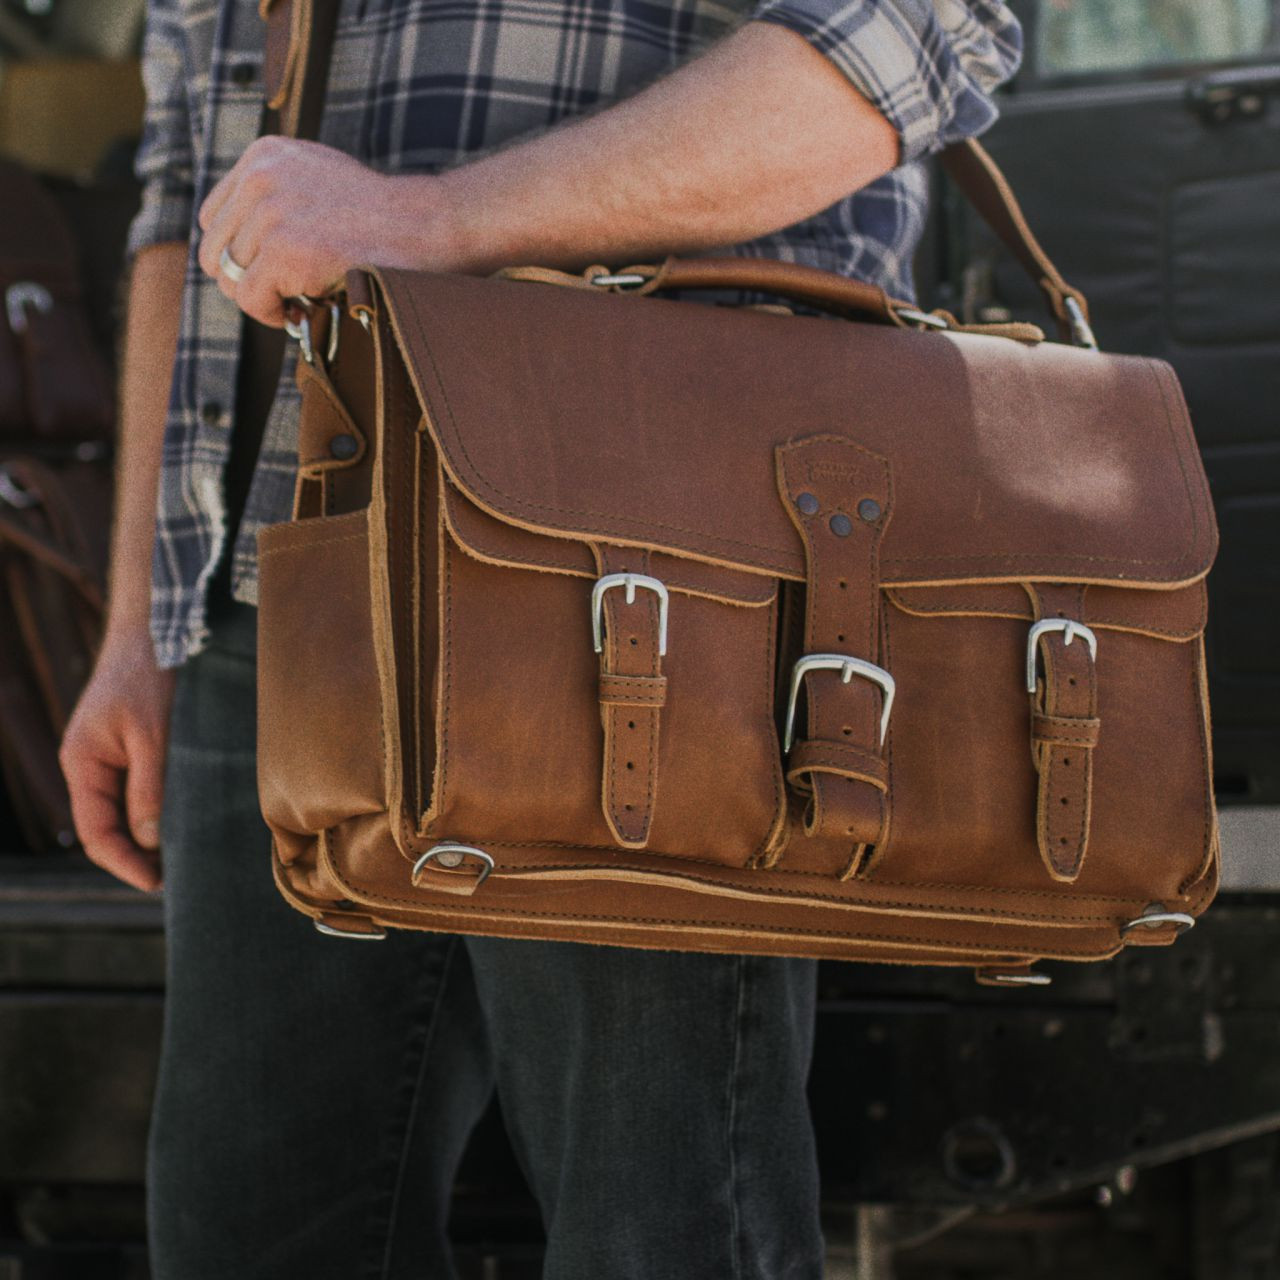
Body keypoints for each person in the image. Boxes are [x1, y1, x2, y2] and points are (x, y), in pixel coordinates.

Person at [60, 1, 1022, 1275]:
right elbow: (182, 203)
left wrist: (434, 220)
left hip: (646, 565)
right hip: (285, 586)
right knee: (252, 1230)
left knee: (657, 1226)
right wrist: (140, 622)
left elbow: (909, 36)